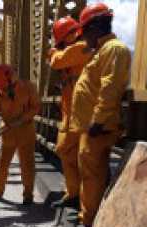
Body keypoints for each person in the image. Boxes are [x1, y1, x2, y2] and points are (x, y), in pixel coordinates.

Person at [70, 3, 131, 227]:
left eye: (85, 32)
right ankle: (92, 215)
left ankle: (89, 220)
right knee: (93, 173)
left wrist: (98, 119)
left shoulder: (113, 49)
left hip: (98, 127)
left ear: (95, 27)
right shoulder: (104, 50)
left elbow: (110, 87)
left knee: (92, 175)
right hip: (92, 126)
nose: (84, 38)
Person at [49, 16, 93, 210]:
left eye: (61, 41)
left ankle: (83, 201)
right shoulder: (74, 49)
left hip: (82, 112)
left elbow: (57, 62)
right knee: (64, 150)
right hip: (70, 112)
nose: (59, 45)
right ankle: (74, 193)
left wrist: (53, 52)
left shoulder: (80, 47)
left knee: (85, 158)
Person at [0, 64, 40, 205]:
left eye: (5, 87)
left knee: (27, 164)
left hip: (26, 132)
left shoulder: (28, 88)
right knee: (2, 164)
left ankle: (28, 195)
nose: (4, 90)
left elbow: (36, 107)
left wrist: (22, 119)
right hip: (8, 133)